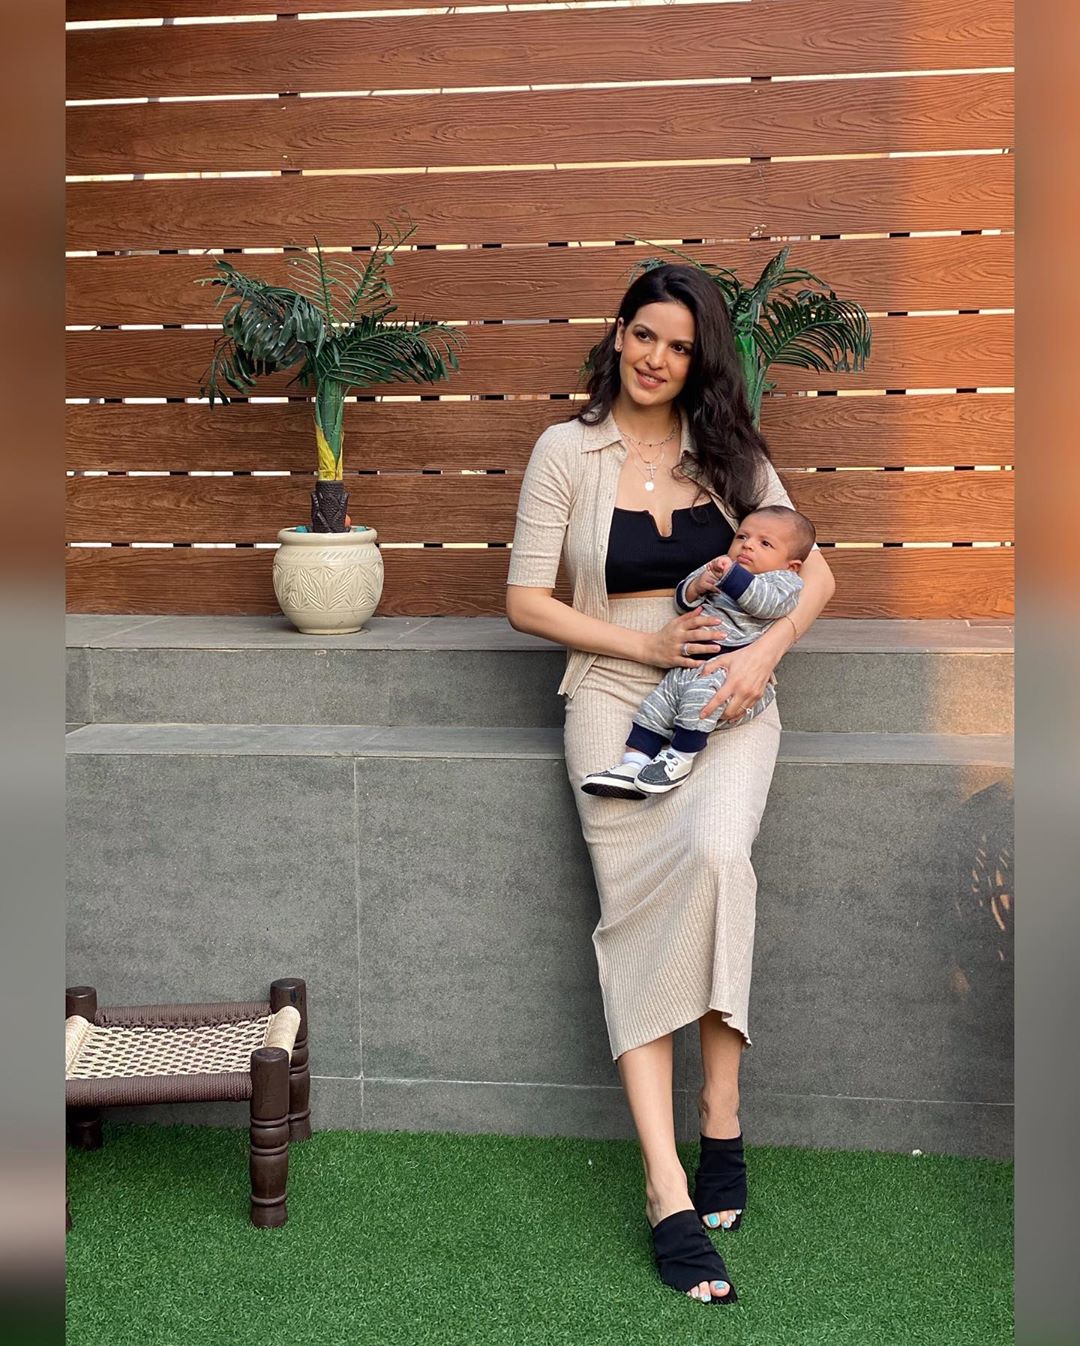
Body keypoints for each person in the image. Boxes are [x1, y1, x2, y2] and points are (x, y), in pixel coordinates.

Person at [505, 262, 836, 1305]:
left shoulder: (728, 449)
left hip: (730, 698)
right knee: (635, 910)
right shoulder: (565, 450)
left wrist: (762, 655)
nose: (657, 358)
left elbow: (819, 570)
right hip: (613, 693)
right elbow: (524, 600)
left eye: (680, 346)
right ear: (618, 334)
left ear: (700, 361)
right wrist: (647, 647)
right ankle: (666, 1186)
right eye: (645, 334)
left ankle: (720, 1113)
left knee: (720, 855)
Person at [581, 504, 815, 798]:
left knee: (701, 701)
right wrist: (695, 586)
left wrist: (730, 576)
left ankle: (680, 756)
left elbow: (764, 604)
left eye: (765, 544)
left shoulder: (783, 582)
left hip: (729, 672)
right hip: (687, 667)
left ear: (791, 565)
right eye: (742, 537)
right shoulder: (722, 568)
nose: (748, 546)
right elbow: (682, 601)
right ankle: (632, 764)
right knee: (656, 707)